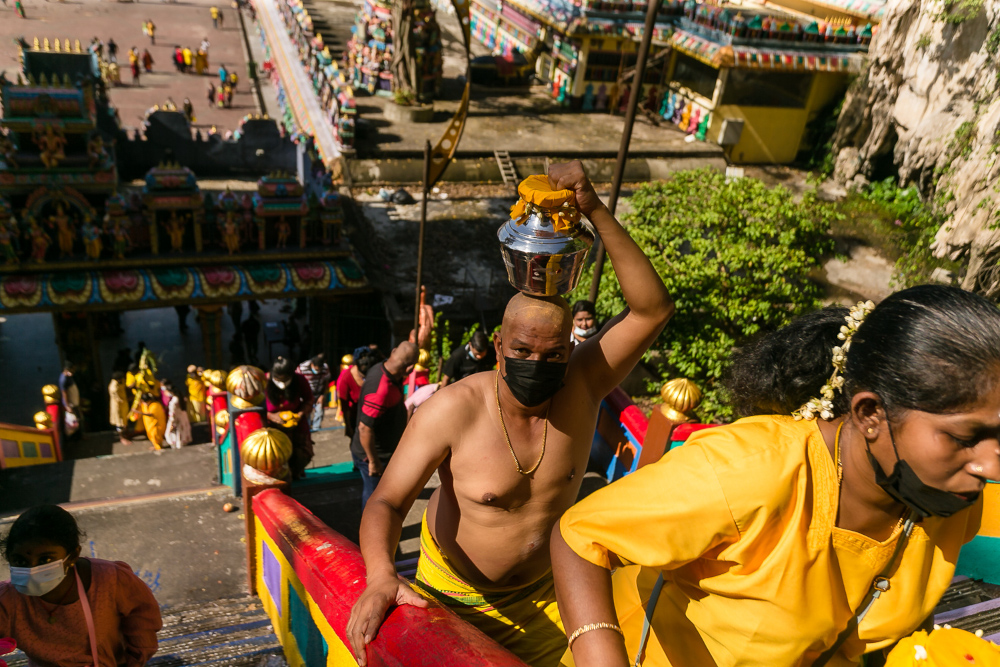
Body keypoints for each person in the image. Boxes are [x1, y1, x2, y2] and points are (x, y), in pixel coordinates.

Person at [551, 285, 1000, 667]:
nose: (992, 466)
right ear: (870, 414)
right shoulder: (750, 471)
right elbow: (580, 537)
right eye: (966, 438)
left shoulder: (949, 497)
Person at [346, 161, 673, 667]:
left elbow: (651, 309)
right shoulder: (453, 409)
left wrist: (594, 208)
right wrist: (381, 575)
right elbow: (388, 501)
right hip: (455, 600)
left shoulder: (583, 385)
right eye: (522, 351)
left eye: (552, 355)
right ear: (499, 347)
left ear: (571, 350)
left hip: (552, 596)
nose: (536, 365)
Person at [0, 505, 161, 665]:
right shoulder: (7, 601)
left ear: (73, 556)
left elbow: (142, 623)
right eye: (20, 561)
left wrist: (134, 662)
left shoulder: (110, 581)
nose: (32, 569)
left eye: (45, 560)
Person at [349, 342, 418, 510]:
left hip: (384, 450)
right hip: (374, 455)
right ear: (409, 369)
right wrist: (373, 461)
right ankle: (368, 532)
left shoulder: (383, 367)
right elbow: (365, 428)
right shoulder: (381, 390)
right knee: (374, 497)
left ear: (393, 352)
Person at [265, 357, 314, 479]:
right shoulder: (264, 381)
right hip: (272, 426)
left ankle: (296, 472)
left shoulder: (299, 380)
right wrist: (270, 416)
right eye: (278, 379)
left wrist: (300, 415)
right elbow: (257, 406)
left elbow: (309, 399)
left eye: (285, 379)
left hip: (296, 424)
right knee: (275, 456)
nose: (282, 383)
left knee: (301, 453)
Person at [337, 348, 373, 441]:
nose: (365, 363)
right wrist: (348, 427)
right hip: (356, 419)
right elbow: (344, 405)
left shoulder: (374, 374)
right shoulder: (346, 378)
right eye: (362, 361)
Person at [297, 354, 332, 432]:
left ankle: (316, 429)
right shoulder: (302, 368)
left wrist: (322, 395)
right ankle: (307, 429)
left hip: (318, 393)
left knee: (319, 411)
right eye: (316, 369)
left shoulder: (325, 368)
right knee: (306, 412)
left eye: (319, 370)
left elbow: (326, 381)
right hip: (305, 394)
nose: (317, 372)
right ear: (312, 364)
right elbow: (297, 382)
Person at [161, 380, 192, 449]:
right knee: (182, 432)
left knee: (174, 433)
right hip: (182, 417)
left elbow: (172, 414)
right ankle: (181, 443)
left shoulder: (173, 402)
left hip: (176, 419)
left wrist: (172, 424)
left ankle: (176, 444)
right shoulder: (179, 397)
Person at [108, 371, 130, 445]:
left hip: (124, 405)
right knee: (119, 422)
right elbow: (118, 399)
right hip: (117, 406)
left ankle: (126, 434)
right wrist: (128, 399)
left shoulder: (121, 381)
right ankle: (122, 438)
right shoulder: (113, 388)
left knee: (125, 420)